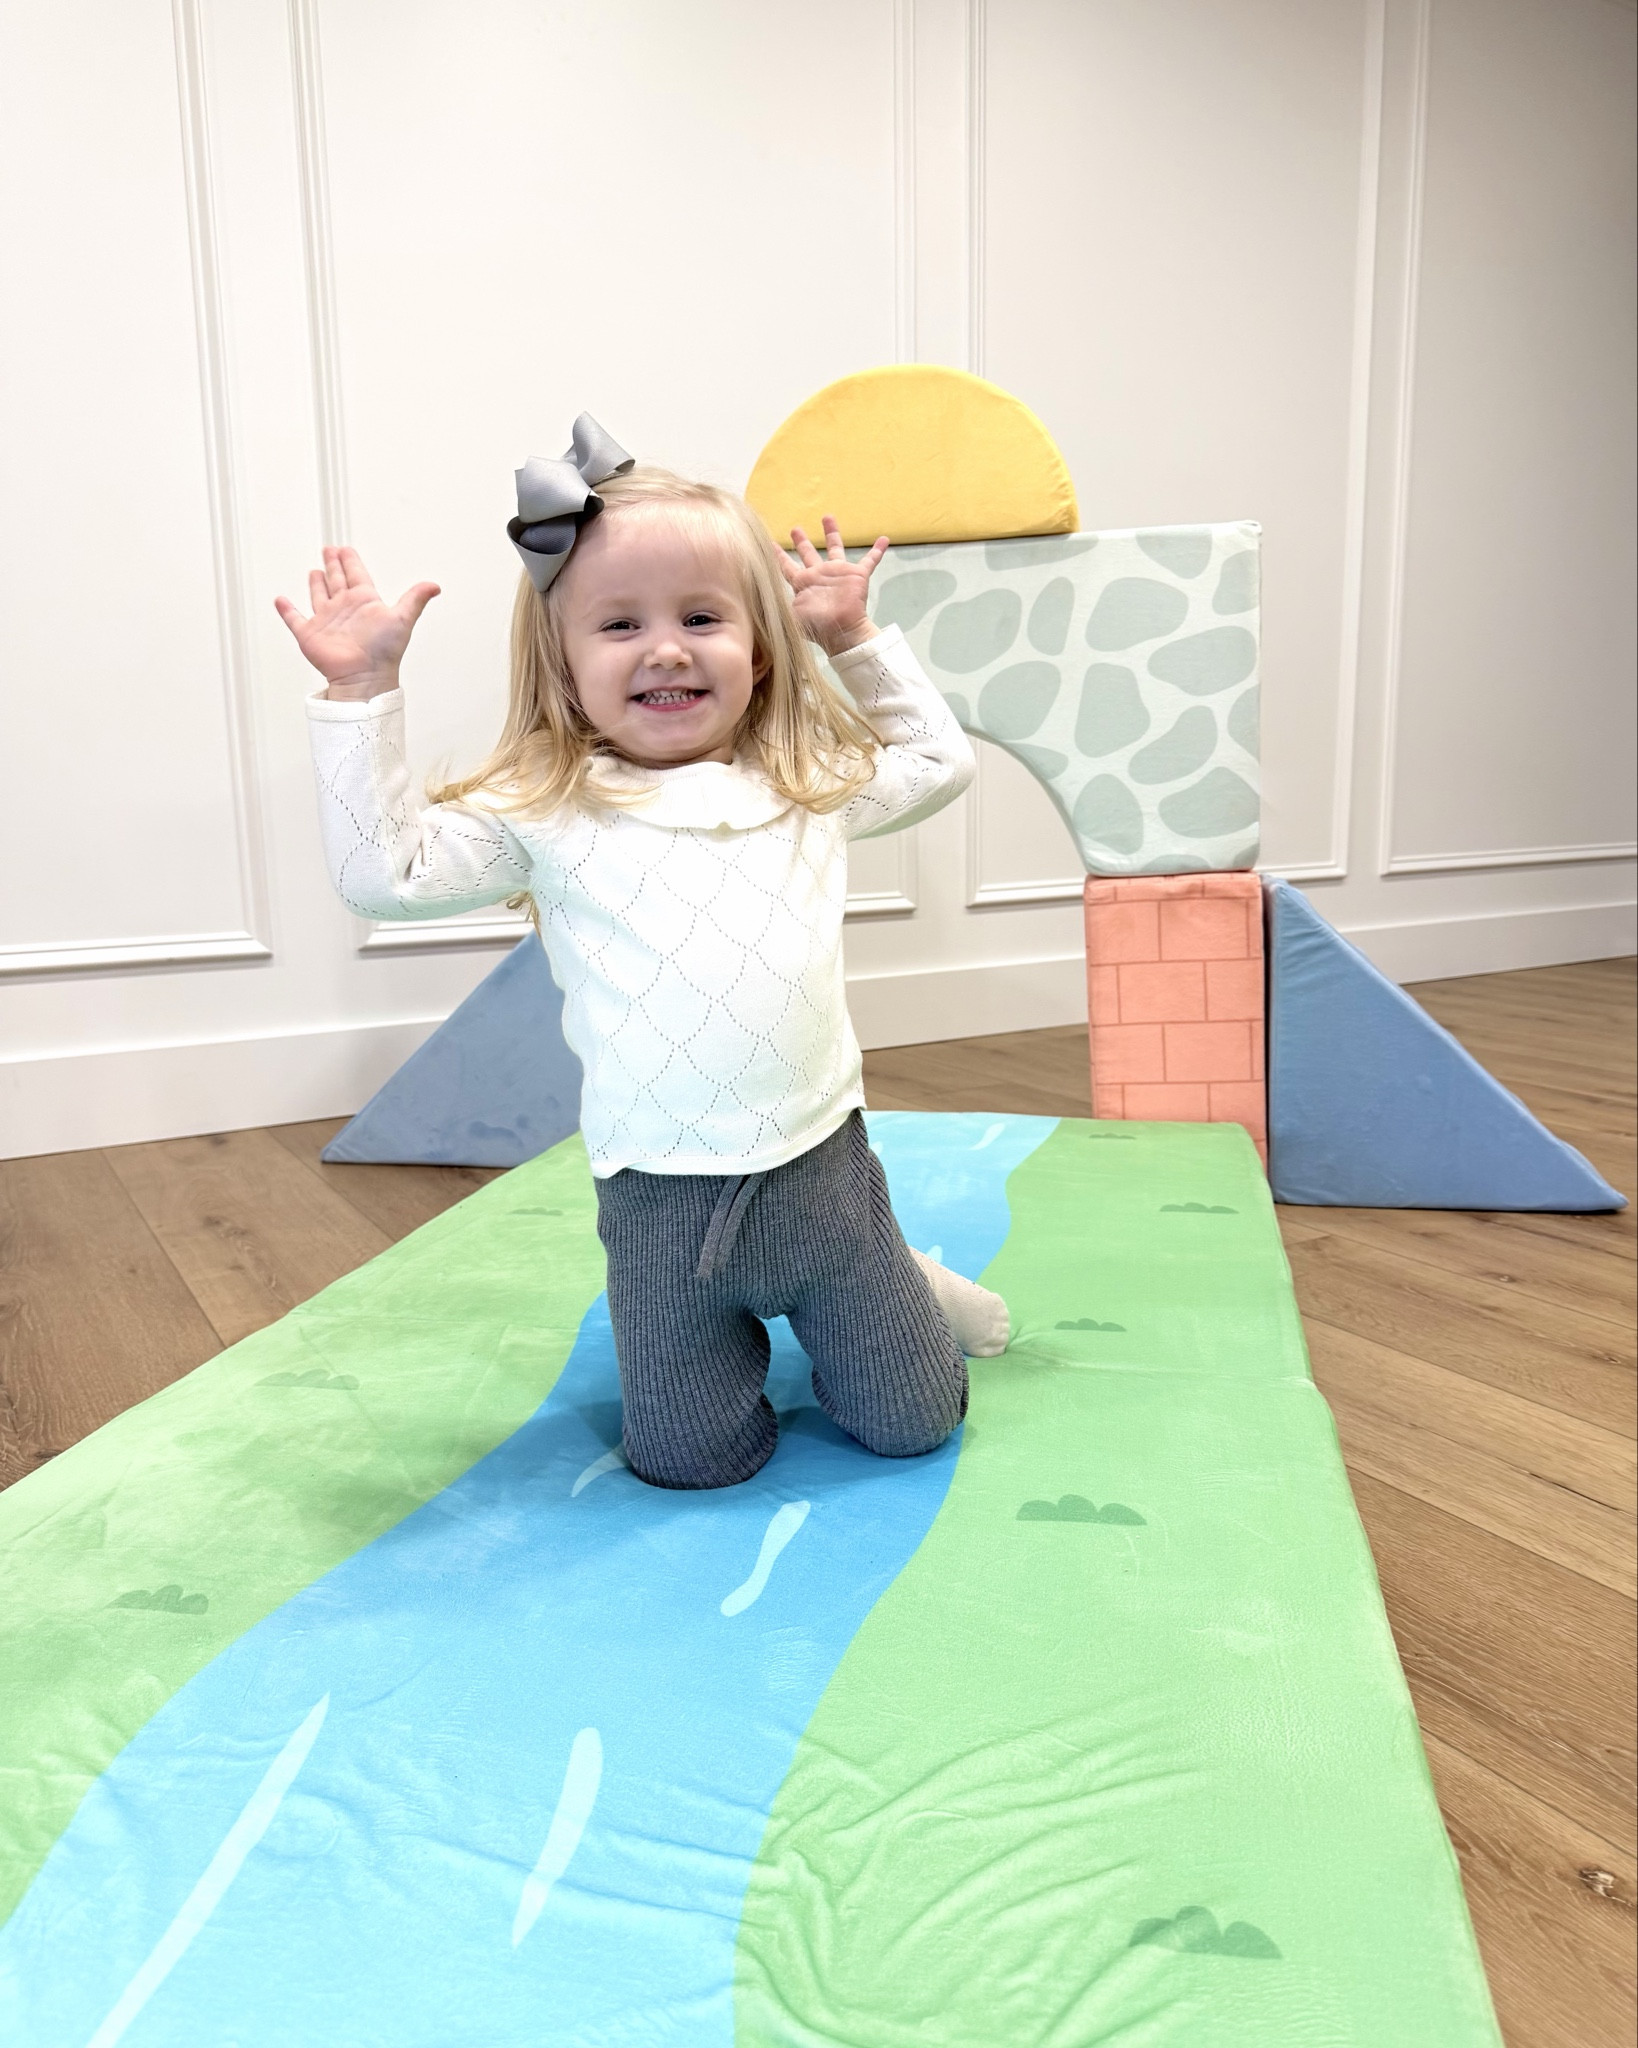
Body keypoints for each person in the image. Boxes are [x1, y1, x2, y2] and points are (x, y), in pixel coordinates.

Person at [278, 418, 1009, 1490]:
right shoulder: (547, 811)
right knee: (686, 1462)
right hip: (662, 1202)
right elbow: (382, 876)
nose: (666, 647)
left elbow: (939, 763)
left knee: (915, 1424)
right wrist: (359, 693)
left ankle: (897, 1277)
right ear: (564, 666)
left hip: (825, 1174)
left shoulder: (804, 784)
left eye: (703, 617)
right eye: (619, 624)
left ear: (760, 651)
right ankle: (846, 1302)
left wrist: (853, 638)